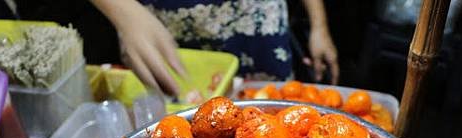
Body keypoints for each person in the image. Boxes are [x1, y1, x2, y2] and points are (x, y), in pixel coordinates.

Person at [89, 0, 339, 95]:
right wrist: (122, 10)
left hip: (257, 24)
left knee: (269, 106)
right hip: (165, 27)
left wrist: (320, 25)